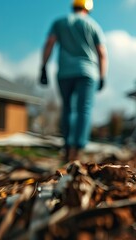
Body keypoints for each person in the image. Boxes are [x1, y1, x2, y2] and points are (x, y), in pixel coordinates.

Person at [40, 0, 108, 162]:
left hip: (65, 73)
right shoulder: (92, 25)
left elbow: (49, 43)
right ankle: (77, 150)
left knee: (68, 109)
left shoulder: (59, 22)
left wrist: (43, 67)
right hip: (87, 72)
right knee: (83, 109)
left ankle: (67, 147)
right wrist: (102, 75)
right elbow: (102, 53)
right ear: (88, 9)